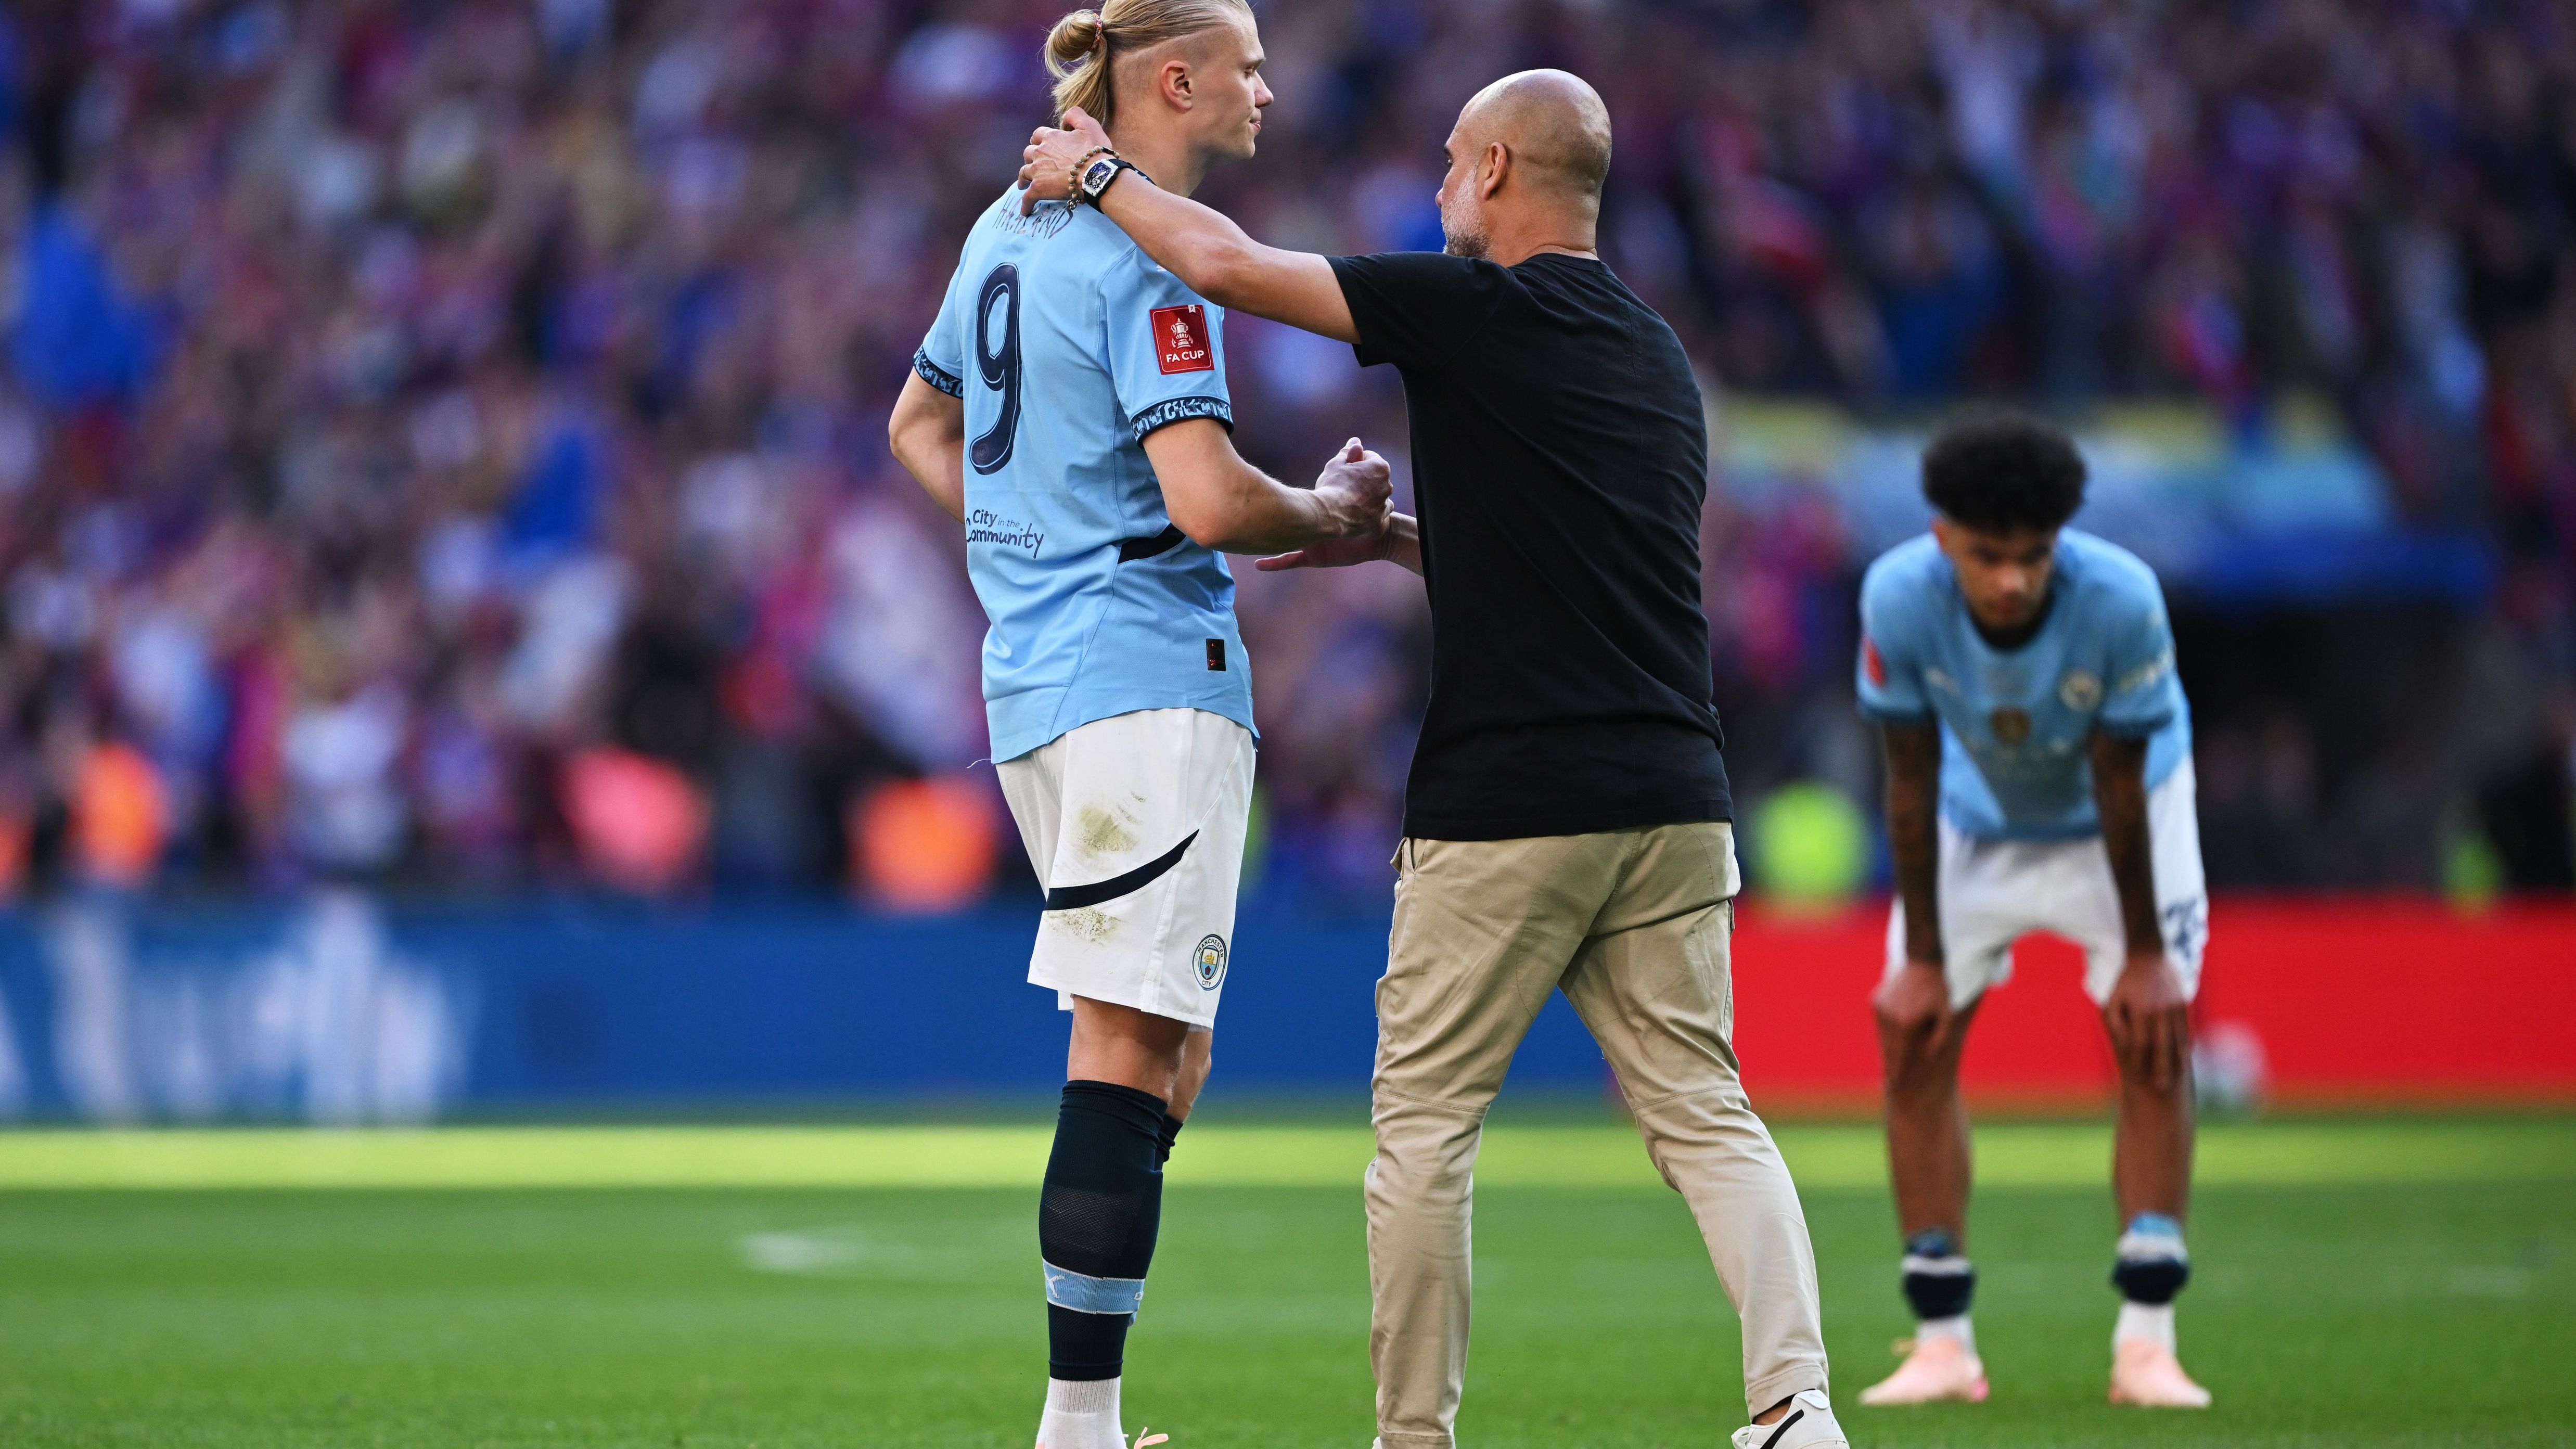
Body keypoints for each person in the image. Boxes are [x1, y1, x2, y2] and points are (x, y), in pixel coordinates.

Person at [1020, 69, 1848, 1449]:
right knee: (1709, 1116)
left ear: (1507, 169)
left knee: (1426, 1132)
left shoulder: (1468, 308)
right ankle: (1795, 1408)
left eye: (1459, 161)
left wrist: (1097, 175)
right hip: (1674, 798)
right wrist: (1398, 539)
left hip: (1510, 803)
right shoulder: (1656, 355)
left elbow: (1223, 263)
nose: (1442, 186)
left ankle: (1415, 1441)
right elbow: (1598, 566)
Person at [886, 5, 1392, 1446]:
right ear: (1175, 78)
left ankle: (1086, 1408)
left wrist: (1025, 552)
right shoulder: (1146, 250)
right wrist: (1335, 518)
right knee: (1126, 1044)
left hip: (1043, 688)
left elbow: (915, 429)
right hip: (1143, 674)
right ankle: (1079, 1423)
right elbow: (1209, 500)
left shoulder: (1003, 227)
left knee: (1168, 1049)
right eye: (1246, 63)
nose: (1268, 85)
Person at [1852, 413, 2212, 1410]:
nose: (2012, 579)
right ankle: (1941, 1344)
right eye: (1987, 555)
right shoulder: (1896, 596)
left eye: (2033, 557)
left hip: (2126, 822)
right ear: (1941, 538)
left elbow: (2119, 782)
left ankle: (2147, 1343)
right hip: (1979, 816)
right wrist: (1921, 956)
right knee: (1915, 1041)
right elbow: (1910, 778)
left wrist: (2145, 954)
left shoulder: (2123, 600)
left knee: (2152, 1040)